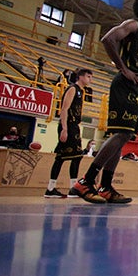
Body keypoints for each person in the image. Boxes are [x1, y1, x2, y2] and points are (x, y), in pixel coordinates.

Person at [72, 0, 138, 205]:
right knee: (121, 134)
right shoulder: (133, 24)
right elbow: (108, 39)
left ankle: (106, 186)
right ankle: (86, 181)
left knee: (124, 136)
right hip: (127, 84)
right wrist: (123, 69)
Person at [44, 68, 94, 198]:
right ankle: (53, 189)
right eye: (88, 76)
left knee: (76, 156)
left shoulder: (81, 91)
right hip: (68, 125)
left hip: (74, 125)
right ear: (81, 77)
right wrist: (64, 128)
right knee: (62, 157)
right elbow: (64, 109)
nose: (90, 80)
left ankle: (70, 188)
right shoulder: (72, 89)